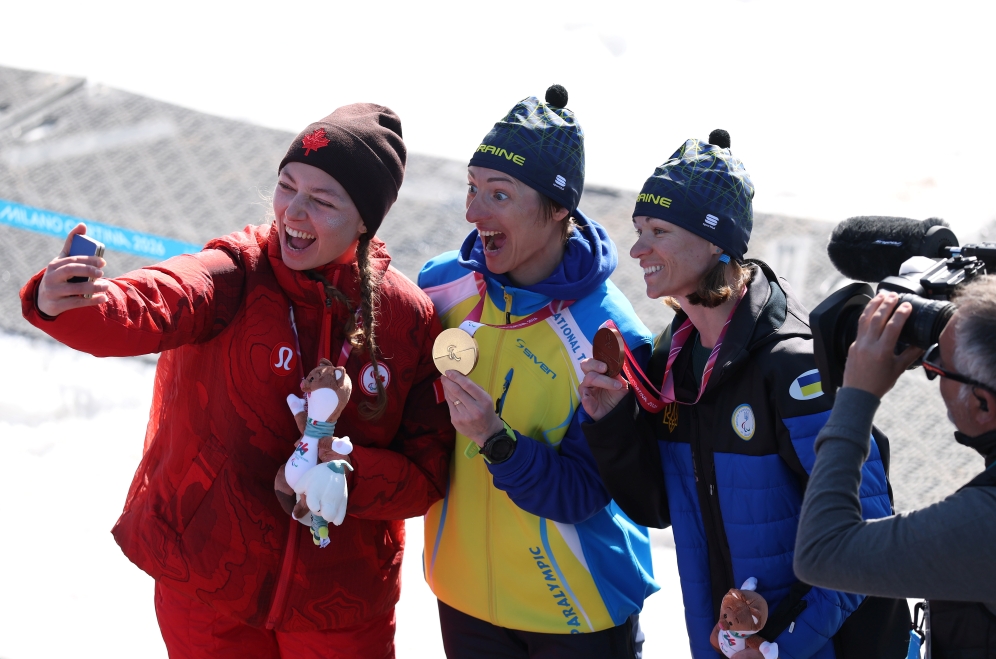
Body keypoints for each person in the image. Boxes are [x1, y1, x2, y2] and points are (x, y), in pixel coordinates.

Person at [20, 104, 454, 658]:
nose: (293, 211)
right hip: (209, 580)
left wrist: (347, 474)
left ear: (366, 221)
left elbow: (428, 473)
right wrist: (74, 306)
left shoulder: (405, 320)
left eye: (322, 201)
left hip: (340, 601)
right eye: (286, 185)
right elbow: (164, 295)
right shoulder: (235, 273)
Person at [579, 132, 910, 659]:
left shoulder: (793, 363)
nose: (638, 248)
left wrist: (782, 645)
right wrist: (611, 420)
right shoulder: (675, 356)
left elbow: (866, 539)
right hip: (722, 644)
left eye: (658, 231)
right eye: (639, 230)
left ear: (716, 242)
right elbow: (659, 508)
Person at [417, 85, 658, 659]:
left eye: (499, 194)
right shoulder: (440, 286)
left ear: (558, 210)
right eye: (471, 189)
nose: (474, 213)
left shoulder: (609, 334)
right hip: (462, 597)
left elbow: (582, 493)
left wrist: (495, 441)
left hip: (577, 612)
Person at [795, 281, 996, 657]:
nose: (931, 372)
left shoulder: (986, 525)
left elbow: (821, 552)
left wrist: (858, 394)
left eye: (938, 367)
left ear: (984, 405)